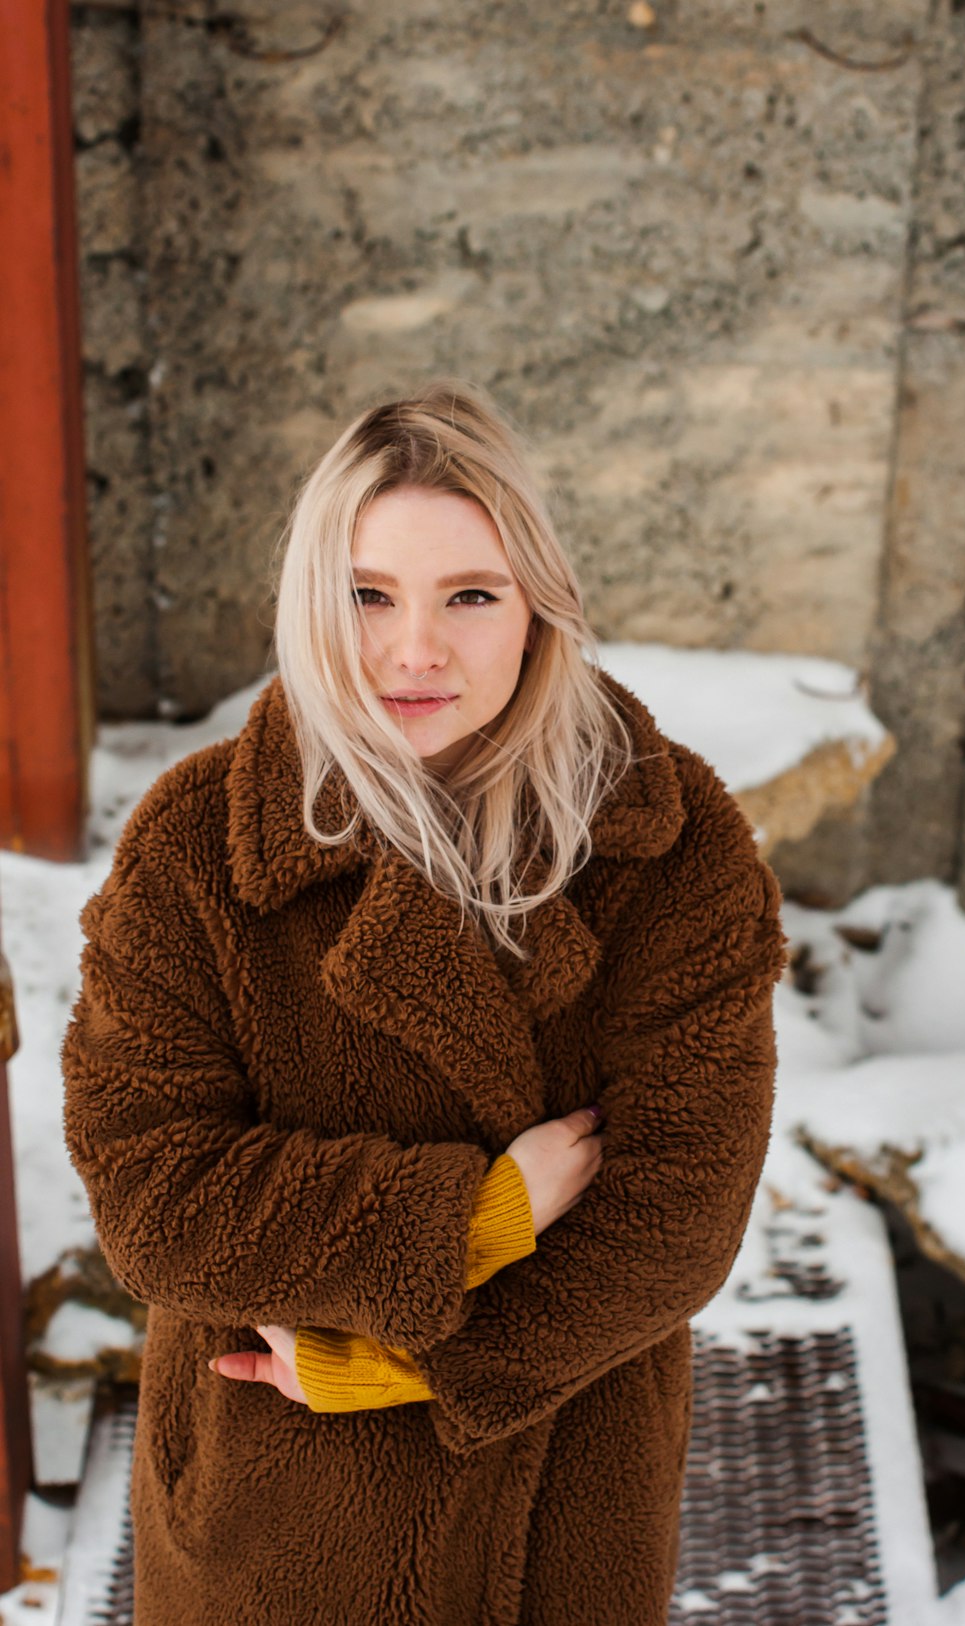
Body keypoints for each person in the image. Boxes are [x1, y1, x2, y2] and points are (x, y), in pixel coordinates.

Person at [61, 379, 789, 1626]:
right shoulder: (198, 844)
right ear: (311, 603)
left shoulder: (670, 847)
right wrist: (477, 1218)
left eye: (469, 595)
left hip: (563, 1510)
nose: (414, 650)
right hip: (274, 1526)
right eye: (368, 594)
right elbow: (152, 1194)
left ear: (535, 609)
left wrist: (401, 1365)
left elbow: (679, 1213)